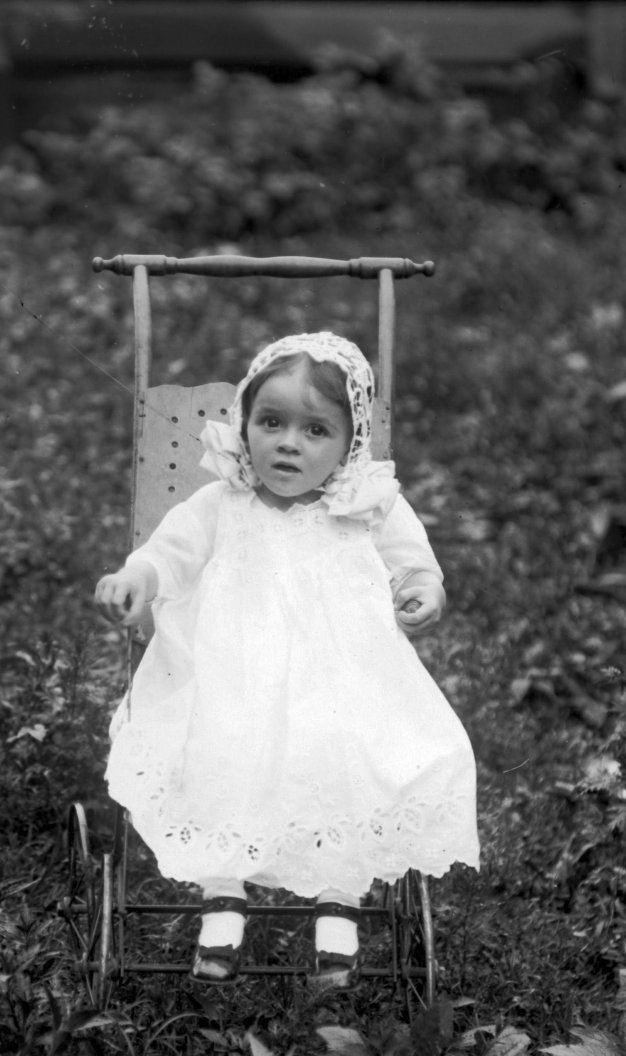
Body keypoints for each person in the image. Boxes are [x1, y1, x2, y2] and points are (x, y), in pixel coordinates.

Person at [94, 331, 479, 987]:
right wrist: (137, 578)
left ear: (349, 443)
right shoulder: (221, 503)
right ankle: (223, 898)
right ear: (244, 420)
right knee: (218, 763)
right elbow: (168, 555)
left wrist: (422, 590)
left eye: (315, 430)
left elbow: (414, 563)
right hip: (232, 678)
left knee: (343, 770)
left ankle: (338, 903)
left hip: (340, 682)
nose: (288, 443)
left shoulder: (366, 506)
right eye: (270, 422)